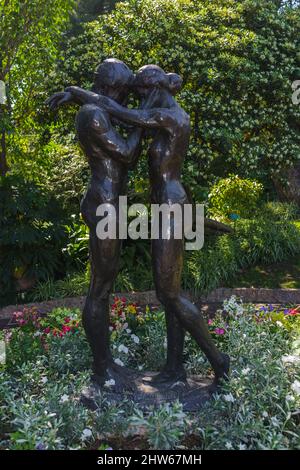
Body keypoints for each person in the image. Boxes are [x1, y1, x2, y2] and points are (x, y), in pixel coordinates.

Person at [87, 65, 230, 389]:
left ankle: (219, 361)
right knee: (170, 292)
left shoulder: (171, 116)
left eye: (139, 94)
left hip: (171, 208)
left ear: (153, 89)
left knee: (169, 294)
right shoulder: (164, 113)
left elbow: (119, 112)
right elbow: (124, 117)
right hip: (165, 206)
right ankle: (174, 367)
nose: (136, 100)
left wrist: (79, 93)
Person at [46, 59, 144, 389]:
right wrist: (143, 122)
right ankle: (102, 369)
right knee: (100, 289)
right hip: (104, 203)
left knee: (104, 285)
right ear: (113, 88)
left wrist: (76, 92)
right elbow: (128, 154)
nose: (129, 101)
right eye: (126, 92)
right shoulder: (94, 114)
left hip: (109, 201)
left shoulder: (97, 108)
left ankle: (106, 364)